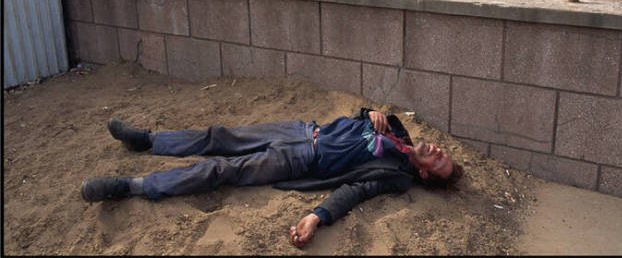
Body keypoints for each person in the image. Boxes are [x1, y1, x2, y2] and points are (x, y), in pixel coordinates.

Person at [79, 108, 463, 248]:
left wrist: (316, 216)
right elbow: (356, 121)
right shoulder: (399, 133)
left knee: (223, 170)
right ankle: (145, 141)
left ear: (425, 176)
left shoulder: (396, 176)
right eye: (445, 153)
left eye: (440, 163)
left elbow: (355, 190)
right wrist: (370, 111)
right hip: (299, 130)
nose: (439, 152)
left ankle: (131, 187)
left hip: (301, 158)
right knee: (219, 137)